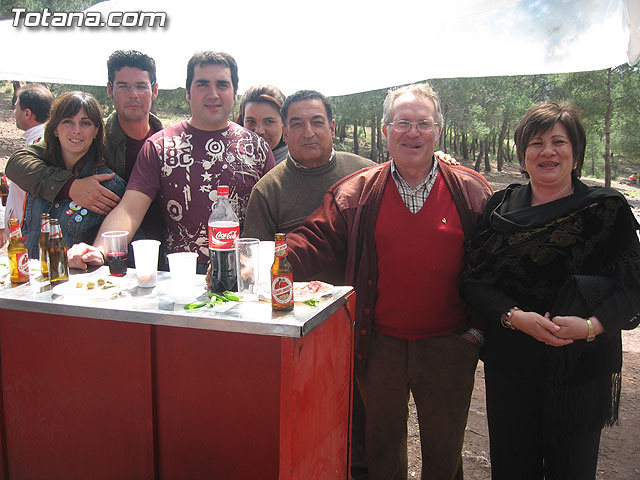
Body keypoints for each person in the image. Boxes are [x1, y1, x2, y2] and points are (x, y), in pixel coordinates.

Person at [284, 82, 492, 480]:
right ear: (385, 131)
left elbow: (495, 262)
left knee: (444, 452)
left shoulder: (470, 191)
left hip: (450, 345)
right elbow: (313, 239)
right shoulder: (357, 191)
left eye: (423, 123)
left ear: (437, 132)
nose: (412, 132)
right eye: (402, 123)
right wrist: (261, 260)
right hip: (378, 346)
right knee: (381, 451)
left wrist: (478, 332)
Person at [460, 102, 640, 479]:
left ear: (575, 154)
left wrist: (592, 326)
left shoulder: (605, 209)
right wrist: (513, 316)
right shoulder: (500, 206)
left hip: (579, 366)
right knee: (512, 467)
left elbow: (632, 284)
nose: (547, 151)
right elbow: (474, 280)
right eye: (536, 142)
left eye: (559, 142)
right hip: (512, 363)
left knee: (572, 469)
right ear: (523, 153)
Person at [67, 51, 275, 273]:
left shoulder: (257, 147)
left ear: (235, 94)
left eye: (222, 85)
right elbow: (129, 210)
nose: (213, 94)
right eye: (202, 85)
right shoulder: (160, 146)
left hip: (246, 274)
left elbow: (276, 214)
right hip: (181, 275)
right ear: (188, 93)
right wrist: (98, 250)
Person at [6, 50, 165, 244]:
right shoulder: (91, 138)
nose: (133, 95)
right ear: (109, 90)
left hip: (162, 251)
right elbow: (18, 163)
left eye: (141, 86)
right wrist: (69, 186)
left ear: (154, 90)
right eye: (123, 86)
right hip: (104, 252)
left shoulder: (170, 144)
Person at [16, 92, 125, 255]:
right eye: (67, 122)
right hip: (31, 277)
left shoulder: (110, 185)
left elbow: (122, 244)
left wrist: (94, 254)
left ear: (96, 130)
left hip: (79, 278)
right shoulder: (37, 174)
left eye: (85, 123)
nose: (77, 130)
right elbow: (28, 230)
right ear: (54, 129)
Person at [2, 84, 54, 242]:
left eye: (16, 107)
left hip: (30, 237)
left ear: (27, 113)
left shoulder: (40, 145)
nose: (13, 112)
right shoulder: (40, 141)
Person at [235, 85, 289, 163]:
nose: (259, 131)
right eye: (251, 121)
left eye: (269, 122)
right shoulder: (228, 161)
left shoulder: (302, 165)